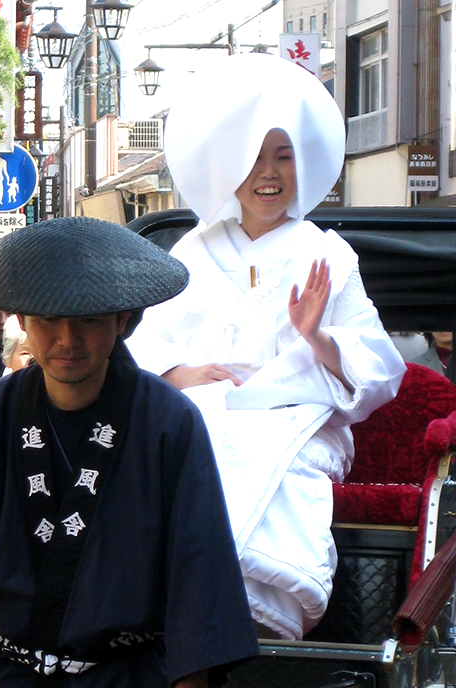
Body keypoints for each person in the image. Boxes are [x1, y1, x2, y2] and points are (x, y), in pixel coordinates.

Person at [0, 217, 258, 688]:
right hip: (1, 684)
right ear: (23, 322)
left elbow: (198, 559)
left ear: (123, 321)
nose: (68, 339)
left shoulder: (167, 421)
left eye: (90, 320)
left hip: (126, 687)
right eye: (49, 320)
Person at [127, 54, 405, 639]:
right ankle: (178, 590)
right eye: (254, 157)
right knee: (186, 441)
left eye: (283, 156)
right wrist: (182, 373)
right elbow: (146, 347)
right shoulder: (193, 253)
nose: (268, 173)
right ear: (229, 166)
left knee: (240, 446)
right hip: (205, 407)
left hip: (298, 418)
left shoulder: (328, 253)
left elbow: (380, 366)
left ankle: (255, 596)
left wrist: (317, 335)